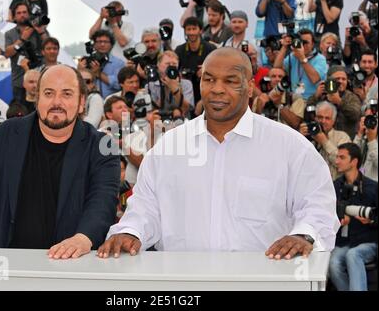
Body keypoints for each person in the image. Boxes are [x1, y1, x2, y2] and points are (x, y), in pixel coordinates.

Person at [97, 47, 339, 258]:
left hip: (262, 283)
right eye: (209, 79)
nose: (217, 89)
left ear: (250, 87)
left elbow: (318, 206)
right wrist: (130, 232)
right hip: (183, 286)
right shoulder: (168, 147)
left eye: (231, 81)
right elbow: (145, 208)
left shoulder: (290, 147)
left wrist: (304, 235)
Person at [0, 65, 120, 259]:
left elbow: (102, 201)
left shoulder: (102, 147)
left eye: (67, 94)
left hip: (73, 267)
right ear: (37, 99)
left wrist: (83, 238)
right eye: (48, 93)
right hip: (7, 268)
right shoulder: (2, 137)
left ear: (81, 103)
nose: (56, 102)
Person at [330, 143, 377, 291]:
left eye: (342, 157)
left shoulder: (372, 187)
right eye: (337, 157)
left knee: (353, 255)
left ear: (354, 161)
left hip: (368, 241)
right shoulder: (335, 186)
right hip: (343, 241)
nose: (337, 161)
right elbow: (328, 215)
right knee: (333, 262)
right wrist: (339, 220)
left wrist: (372, 220)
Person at [5, 2, 49, 102]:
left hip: (39, 82)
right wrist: (22, 39)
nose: (22, 15)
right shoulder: (9, 34)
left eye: (25, 12)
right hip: (19, 82)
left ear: (29, 14)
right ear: (14, 17)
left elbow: (50, 47)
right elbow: (7, 53)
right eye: (19, 13)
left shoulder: (38, 30)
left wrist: (41, 32)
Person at [299, 101, 351, 179]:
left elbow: (345, 164)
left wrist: (324, 142)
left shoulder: (342, 137)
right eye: (320, 117)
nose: (323, 121)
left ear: (333, 121)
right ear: (315, 118)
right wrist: (300, 138)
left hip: (334, 185)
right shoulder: (308, 136)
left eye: (327, 118)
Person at [307, 65, 361, 139]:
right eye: (337, 79)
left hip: (345, 138)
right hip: (321, 137)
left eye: (343, 79)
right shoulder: (322, 95)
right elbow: (307, 115)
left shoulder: (351, 97)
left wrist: (339, 102)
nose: (340, 81)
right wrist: (315, 97)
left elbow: (356, 115)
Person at [274, 28, 328, 100]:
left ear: (312, 44)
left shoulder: (320, 59)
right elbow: (277, 67)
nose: (303, 45)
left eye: (306, 42)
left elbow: (315, 79)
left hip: (310, 99)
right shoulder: (293, 56)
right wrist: (284, 47)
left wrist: (302, 58)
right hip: (293, 98)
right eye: (301, 42)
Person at [175, 17, 216, 106]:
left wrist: (207, 71)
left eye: (194, 29)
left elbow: (219, 70)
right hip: (186, 90)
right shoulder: (179, 50)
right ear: (185, 31)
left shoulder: (210, 48)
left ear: (200, 31)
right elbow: (174, 71)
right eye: (188, 29)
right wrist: (180, 74)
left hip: (206, 90)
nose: (191, 32)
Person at [79, 30, 125, 99]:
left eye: (106, 42)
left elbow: (119, 85)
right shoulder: (87, 61)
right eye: (99, 42)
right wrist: (80, 70)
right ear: (94, 44)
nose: (102, 44)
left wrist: (99, 73)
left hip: (110, 103)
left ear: (111, 45)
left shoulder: (119, 63)